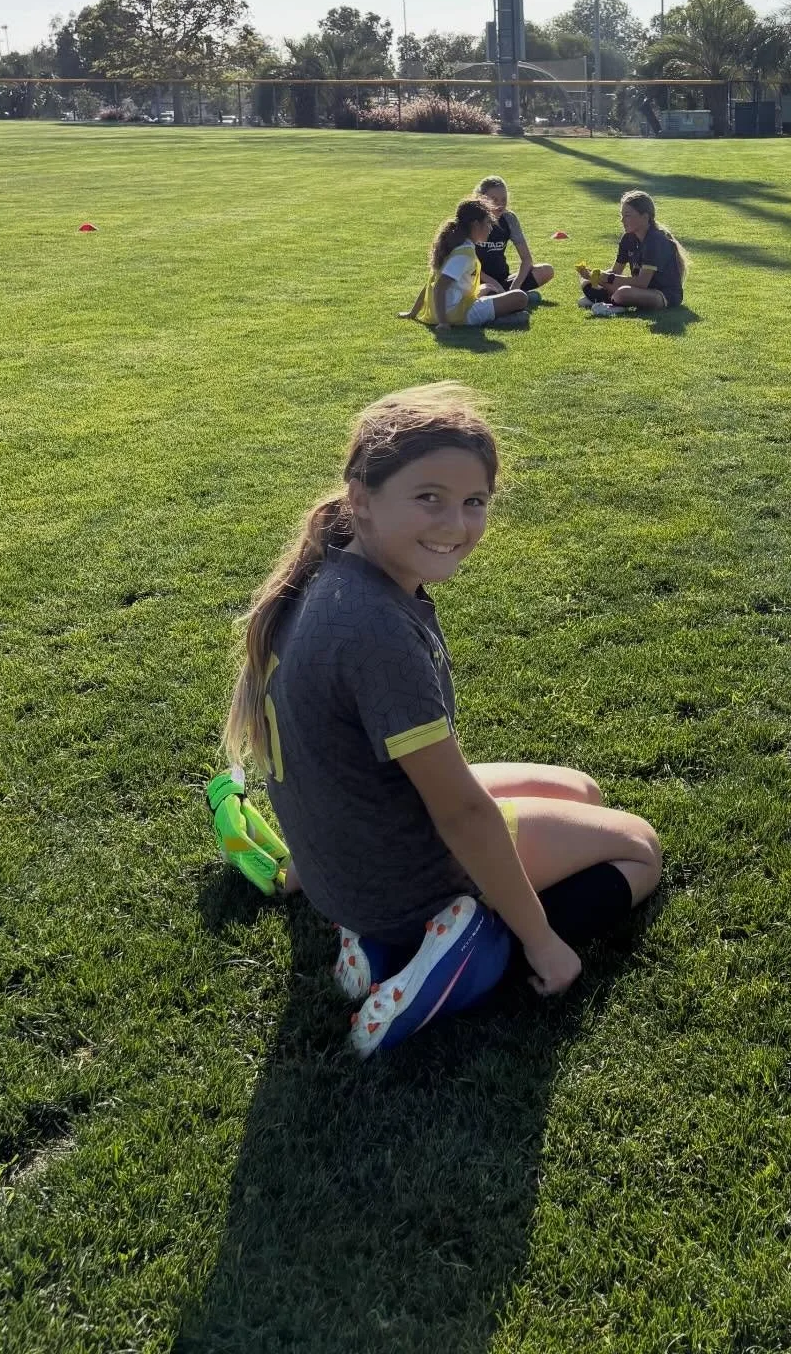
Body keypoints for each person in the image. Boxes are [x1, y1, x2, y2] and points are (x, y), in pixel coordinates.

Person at [221, 383, 662, 1053]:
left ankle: (374, 939)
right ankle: (460, 950)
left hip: (343, 865)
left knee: (582, 791)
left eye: (474, 502)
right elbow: (461, 814)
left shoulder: (322, 574)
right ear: (362, 499)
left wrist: (319, 865)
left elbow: (321, 758)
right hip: (396, 877)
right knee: (638, 848)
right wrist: (545, 942)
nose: (456, 526)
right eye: (429, 497)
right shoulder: (375, 629)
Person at [401, 199, 540, 331]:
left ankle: (504, 308)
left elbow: (431, 284)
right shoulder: (464, 255)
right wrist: (443, 323)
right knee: (520, 297)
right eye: (488, 223)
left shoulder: (455, 246)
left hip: (454, 309)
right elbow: (439, 287)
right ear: (475, 225)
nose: (490, 229)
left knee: (487, 288)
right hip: (458, 314)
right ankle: (497, 320)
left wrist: (413, 313)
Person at [578, 189, 687, 315]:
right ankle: (611, 301)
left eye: (627, 215)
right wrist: (592, 276)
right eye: (622, 215)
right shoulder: (628, 238)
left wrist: (606, 277)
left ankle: (613, 303)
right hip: (638, 290)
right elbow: (615, 271)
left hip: (662, 294)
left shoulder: (655, 240)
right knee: (586, 283)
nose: (622, 220)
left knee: (623, 293)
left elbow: (642, 282)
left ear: (645, 217)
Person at [473, 175, 555, 295]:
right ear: (481, 199)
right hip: (475, 281)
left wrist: (515, 286)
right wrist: (494, 284)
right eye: (494, 199)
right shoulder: (472, 220)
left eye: (504, 200)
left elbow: (527, 259)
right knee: (483, 289)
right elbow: (468, 266)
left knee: (546, 270)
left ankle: (508, 296)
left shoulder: (509, 218)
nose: (500, 204)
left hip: (503, 280)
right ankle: (507, 297)